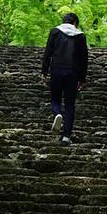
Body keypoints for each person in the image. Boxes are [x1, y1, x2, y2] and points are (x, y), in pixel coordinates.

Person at [41, 12, 88, 144]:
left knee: (55, 98)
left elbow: (48, 52)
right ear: (75, 23)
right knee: (70, 104)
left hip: (56, 69)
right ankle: (66, 135)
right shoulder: (80, 36)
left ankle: (57, 114)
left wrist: (44, 71)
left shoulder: (55, 32)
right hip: (72, 72)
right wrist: (82, 78)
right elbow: (83, 59)